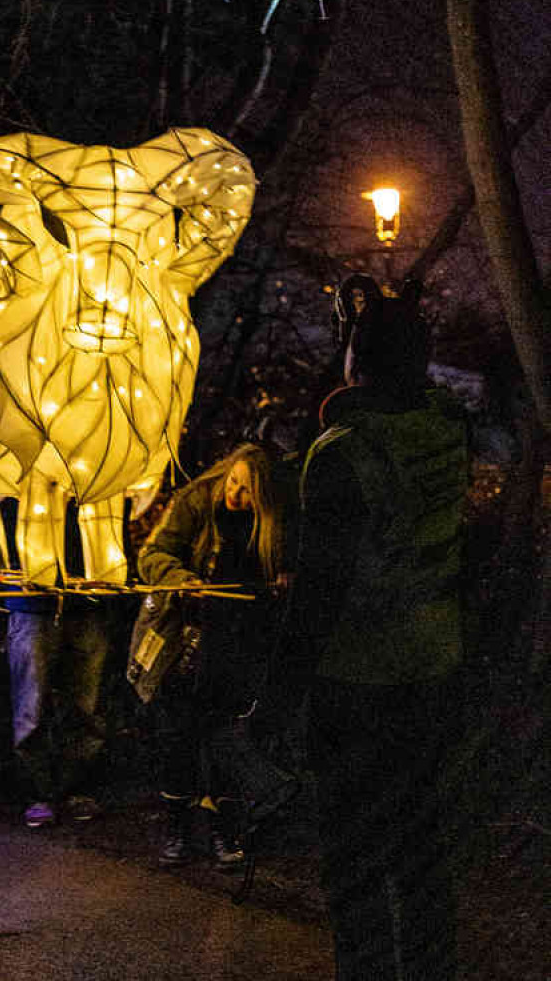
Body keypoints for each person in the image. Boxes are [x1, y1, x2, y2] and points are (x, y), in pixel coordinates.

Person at [258, 274, 468, 980]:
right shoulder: (445, 428)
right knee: (422, 851)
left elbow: (319, 593)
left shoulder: (344, 451)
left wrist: (277, 702)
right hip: (436, 664)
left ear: (356, 358)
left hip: (356, 680)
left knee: (352, 857)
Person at [137, 442, 287, 868]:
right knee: (177, 737)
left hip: (237, 642)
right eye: (234, 483)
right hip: (187, 640)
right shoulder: (197, 500)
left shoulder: (275, 520)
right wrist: (180, 578)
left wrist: (282, 577)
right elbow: (152, 554)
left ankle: (225, 829)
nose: (234, 495)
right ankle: (177, 829)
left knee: (226, 739)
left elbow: (281, 564)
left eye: (246, 493)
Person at [0, 496, 123, 829]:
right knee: (31, 707)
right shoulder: (17, 483)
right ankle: (37, 792)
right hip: (32, 606)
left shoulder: (95, 483)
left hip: (88, 604)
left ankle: (76, 788)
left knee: (85, 705)